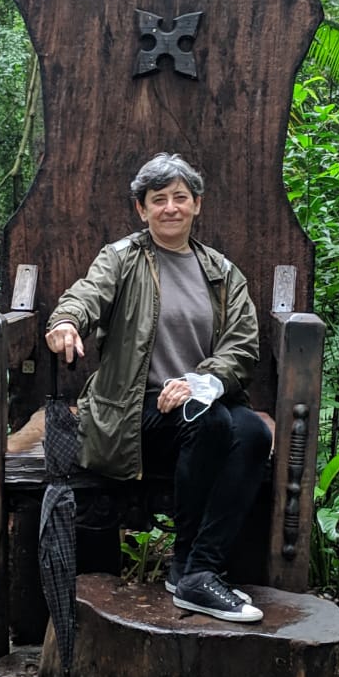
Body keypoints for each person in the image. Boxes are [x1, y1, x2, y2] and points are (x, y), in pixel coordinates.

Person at [45, 152, 272, 624]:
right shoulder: (122, 258)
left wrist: (199, 382)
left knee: (253, 433)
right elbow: (87, 294)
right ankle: (193, 568)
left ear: (197, 205)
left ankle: (194, 571)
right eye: (159, 199)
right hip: (133, 407)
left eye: (180, 198)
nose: (170, 207)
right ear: (141, 209)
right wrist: (66, 320)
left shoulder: (221, 272)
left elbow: (243, 344)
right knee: (208, 423)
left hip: (204, 395)